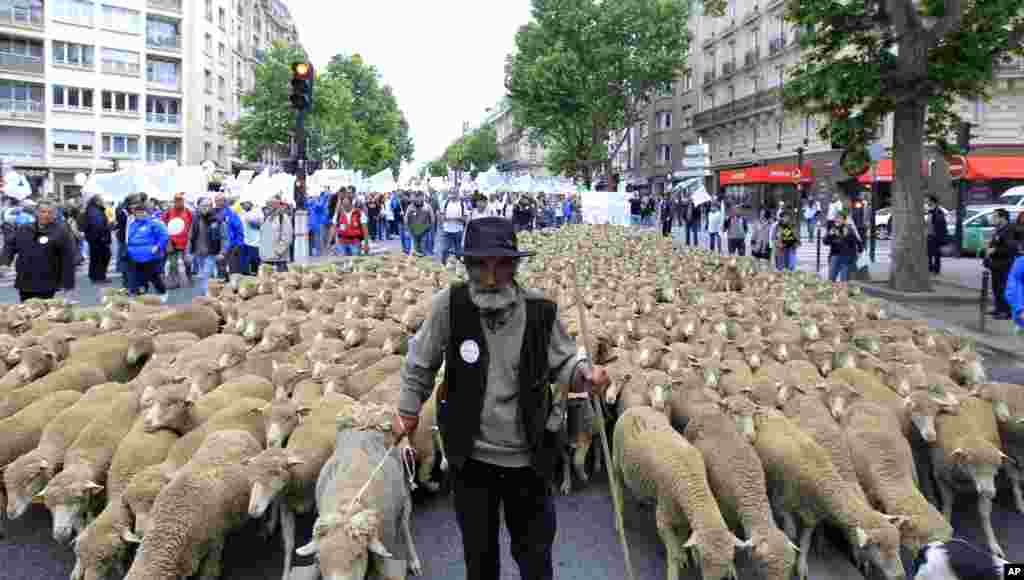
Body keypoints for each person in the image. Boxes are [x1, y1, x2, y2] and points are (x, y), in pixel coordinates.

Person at [396, 217, 610, 580]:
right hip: (471, 457)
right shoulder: (450, 305)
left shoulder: (541, 310)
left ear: (516, 265)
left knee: (535, 554)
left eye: (502, 264)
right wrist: (407, 410)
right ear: (466, 264)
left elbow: (565, 360)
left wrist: (585, 373)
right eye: (480, 265)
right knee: (479, 558)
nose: (491, 277)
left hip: (529, 457)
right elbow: (421, 361)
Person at [0, 200, 76, 302]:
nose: (46, 215)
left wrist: (68, 285)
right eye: (43, 211)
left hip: (47, 281)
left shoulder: (61, 231)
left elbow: (68, 258)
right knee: (25, 311)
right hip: (25, 280)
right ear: (36, 212)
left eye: (50, 212)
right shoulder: (24, 229)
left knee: (42, 311)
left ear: (54, 214)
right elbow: (10, 245)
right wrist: (5, 262)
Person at [124, 200, 169, 300]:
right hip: (134, 257)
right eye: (137, 213)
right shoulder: (133, 223)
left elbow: (164, 235)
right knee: (139, 278)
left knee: (154, 277)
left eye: (142, 212)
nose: (140, 215)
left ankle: (162, 293)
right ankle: (142, 297)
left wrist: (157, 247)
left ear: (146, 212)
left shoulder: (154, 222)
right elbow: (129, 238)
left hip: (149, 256)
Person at [984, 208, 1015, 320]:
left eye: (995, 217)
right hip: (996, 263)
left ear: (1002, 218)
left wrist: (995, 250)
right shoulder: (999, 229)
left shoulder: (1009, 230)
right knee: (996, 287)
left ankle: (1006, 312)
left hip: (1004, 263)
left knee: (1003, 287)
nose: (993, 219)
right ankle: (999, 308)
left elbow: (1010, 248)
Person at [162, 192, 193, 288]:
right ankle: (174, 281)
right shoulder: (168, 212)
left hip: (185, 242)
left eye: (180, 200)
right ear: (174, 201)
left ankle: (189, 277)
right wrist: (167, 241)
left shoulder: (188, 212)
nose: (178, 202)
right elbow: (163, 225)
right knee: (172, 264)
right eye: (176, 200)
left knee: (187, 262)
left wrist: (190, 238)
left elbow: (192, 225)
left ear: (183, 201)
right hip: (172, 243)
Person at [83, 194, 112, 283]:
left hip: (95, 238)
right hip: (98, 238)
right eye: (101, 200)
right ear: (97, 201)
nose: (103, 202)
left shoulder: (93, 209)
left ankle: (96, 276)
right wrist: (103, 234)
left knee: (97, 258)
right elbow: (97, 225)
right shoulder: (94, 211)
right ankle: (99, 277)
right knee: (101, 257)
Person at [824, 211, 861, 282]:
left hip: (846, 258)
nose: (837, 220)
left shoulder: (848, 229)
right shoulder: (833, 229)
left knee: (844, 280)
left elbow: (856, 242)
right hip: (835, 255)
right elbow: (825, 242)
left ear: (844, 220)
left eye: (839, 218)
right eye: (836, 218)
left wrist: (842, 235)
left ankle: (843, 291)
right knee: (831, 279)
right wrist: (829, 234)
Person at [260, 194, 293, 272]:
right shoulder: (267, 218)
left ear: (276, 205)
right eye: (267, 205)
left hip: (278, 261)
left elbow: (287, 238)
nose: (268, 207)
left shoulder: (283, 218)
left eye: (270, 205)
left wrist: (278, 251)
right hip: (266, 259)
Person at [333, 191, 369, 257]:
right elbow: (334, 228)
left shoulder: (359, 213)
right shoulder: (339, 214)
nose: (345, 206)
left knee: (355, 262)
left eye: (347, 204)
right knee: (343, 263)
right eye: (343, 204)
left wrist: (366, 244)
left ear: (351, 203)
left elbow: (365, 230)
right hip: (342, 243)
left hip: (355, 243)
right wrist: (335, 244)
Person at [440, 190, 468, 265]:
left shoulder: (462, 204)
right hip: (447, 230)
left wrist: (457, 219)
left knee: (458, 250)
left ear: (458, 194)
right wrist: (445, 218)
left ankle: (458, 266)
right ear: (449, 194)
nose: (453, 195)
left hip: (458, 230)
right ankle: (443, 265)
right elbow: (441, 217)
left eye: (455, 193)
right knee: (445, 249)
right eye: (451, 193)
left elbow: (465, 218)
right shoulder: (445, 203)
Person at [925, 195, 948, 275]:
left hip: (934, 236)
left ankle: (936, 270)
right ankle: (930, 269)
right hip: (930, 235)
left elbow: (940, 225)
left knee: (936, 254)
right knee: (929, 254)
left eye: (928, 201)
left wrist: (937, 236)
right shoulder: (931, 211)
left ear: (932, 201)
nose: (926, 202)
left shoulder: (938, 211)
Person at [239, 200, 263, 274]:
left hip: (255, 241)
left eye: (244, 204)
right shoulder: (241, 214)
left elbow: (259, 223)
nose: (243, 206)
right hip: (244, 241)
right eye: (242, 204)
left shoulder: (257, 212)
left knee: (255, 260)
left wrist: (252, 220)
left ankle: (254, 274)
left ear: (250, 204)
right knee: (244, 262)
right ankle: (245, 273)